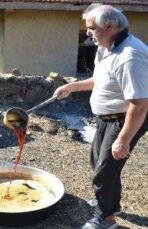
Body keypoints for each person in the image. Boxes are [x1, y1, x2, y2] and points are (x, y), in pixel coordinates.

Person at [54, 3, 148, 229]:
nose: (87, 32)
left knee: (104, 172)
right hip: (106, 117)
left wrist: (123, 139)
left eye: (91, 28)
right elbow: (101, 80)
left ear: (108, 26)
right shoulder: (105, 48)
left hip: (125, 118)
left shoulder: (130, 55)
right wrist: (72, 87)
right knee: (99, 164)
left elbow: (141, 102)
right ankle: (107, 204)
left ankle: (106, 219)